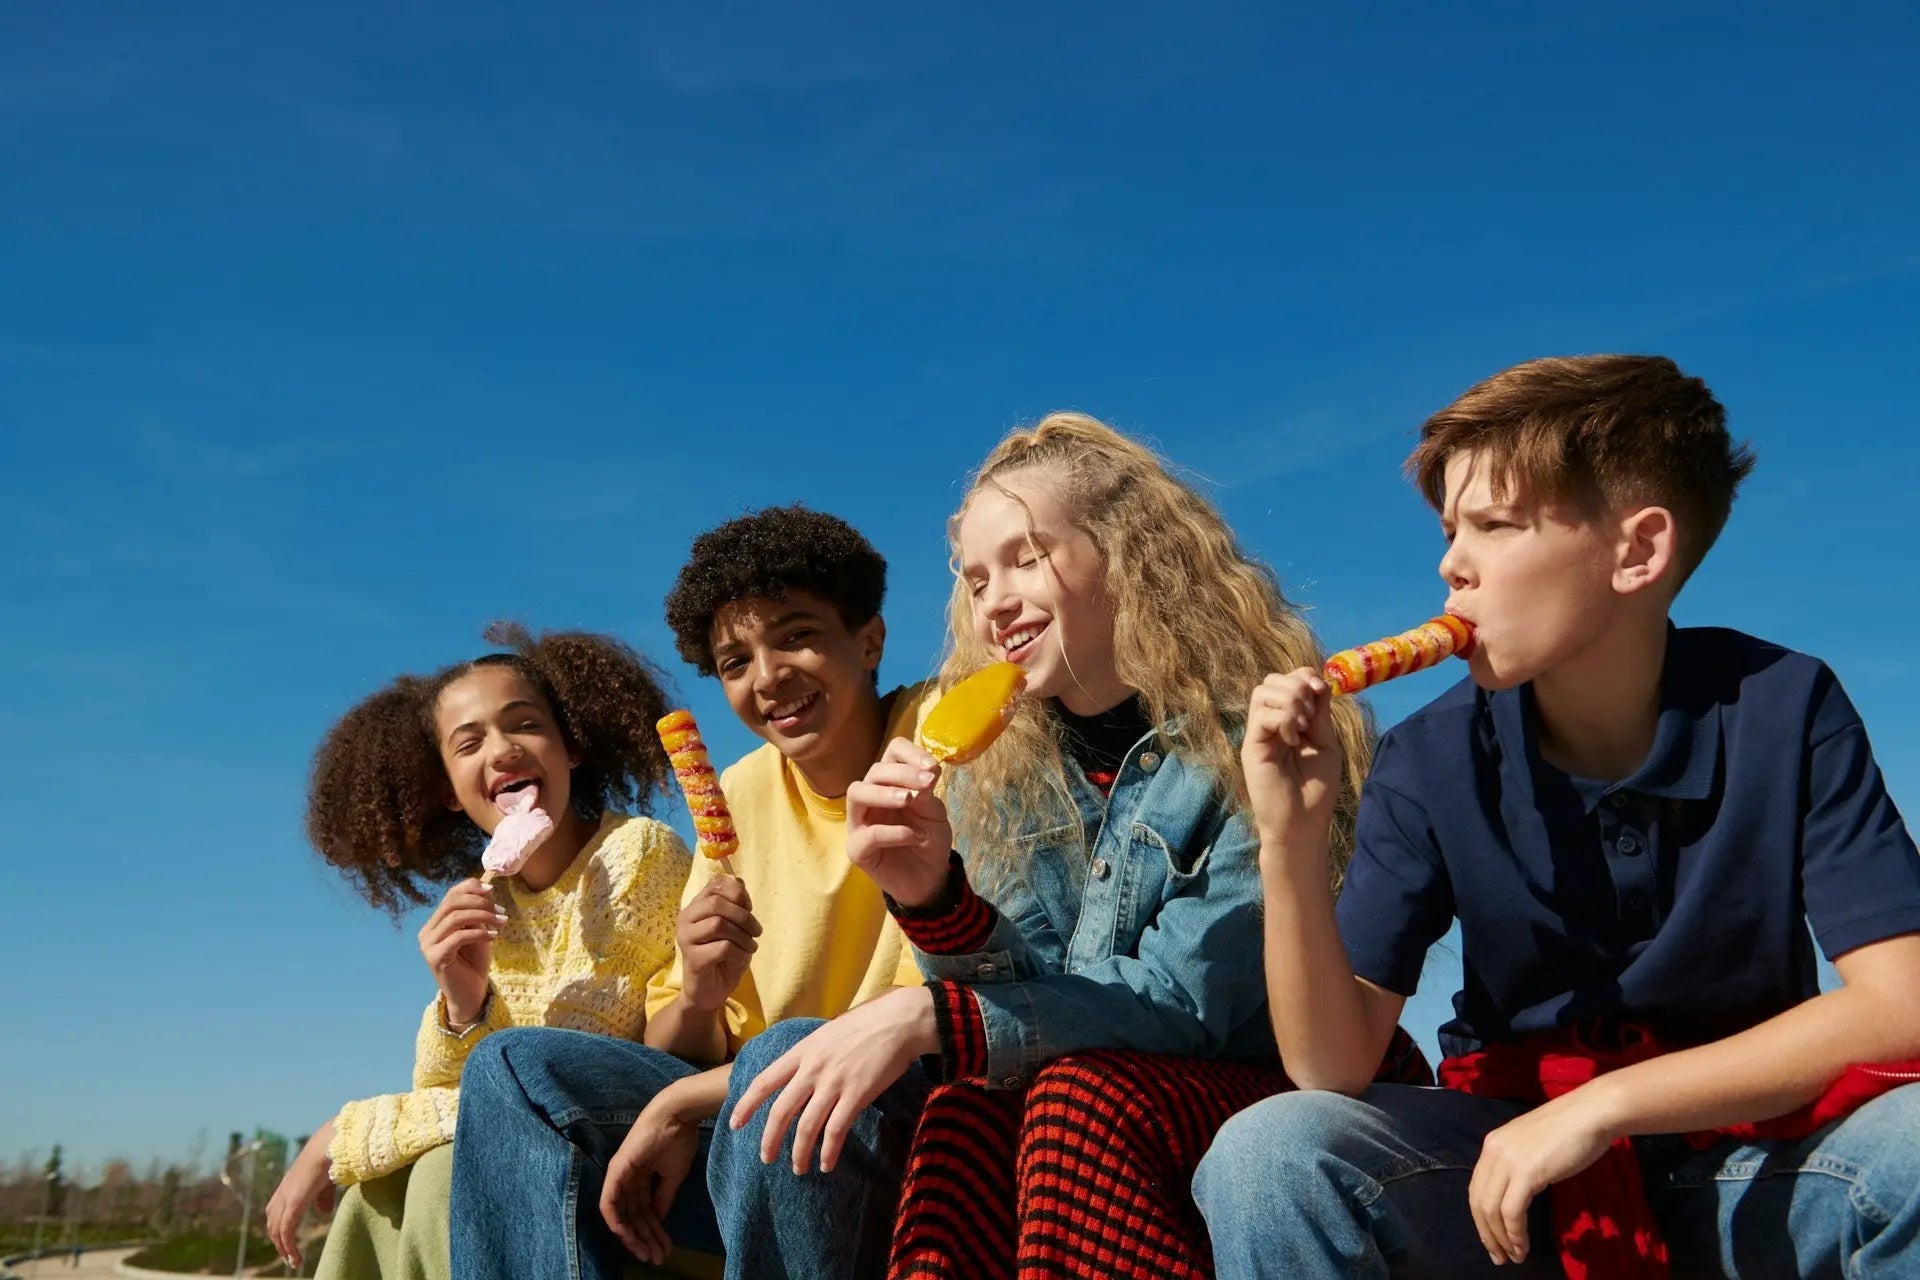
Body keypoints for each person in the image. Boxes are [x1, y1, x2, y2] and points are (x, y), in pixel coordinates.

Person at [1197, 355, 1920, 1279]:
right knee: (1272, 1153)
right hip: (1503, 1178)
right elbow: (1331, 1069)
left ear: (1637, 552)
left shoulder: (1785, 705)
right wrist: (1290, 840)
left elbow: (1901, 1003)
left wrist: (1605, 1106)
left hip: (1744, 1162)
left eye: (1494, 526)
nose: (1449, 564)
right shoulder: (1428, 755)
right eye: (1449, 530)